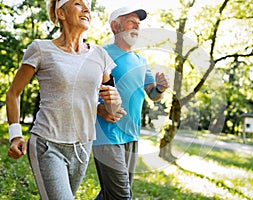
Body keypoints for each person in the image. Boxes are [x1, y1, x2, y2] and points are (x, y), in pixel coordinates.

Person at [5, 0, 121, 199]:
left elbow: (111, 104)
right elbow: (13, 93)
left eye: (88, 6)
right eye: (78, 3)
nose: (86, 9)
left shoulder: (100, 55)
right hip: (47, 144)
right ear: (61, 13)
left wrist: (112, 104)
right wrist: (15, 135)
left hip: (82, 147)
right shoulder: (41, 49)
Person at [92, 6, 170, 200]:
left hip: (131, 134)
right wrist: (98, 108)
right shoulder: (99, 53)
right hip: (106, 133)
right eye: (131, 21)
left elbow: (152, 94)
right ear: (115, 26)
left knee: (111, 194)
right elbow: (83, 89)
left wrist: (160, 88)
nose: (137, 26)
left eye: (138, 23)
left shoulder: (141, 60)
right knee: (122, 195)